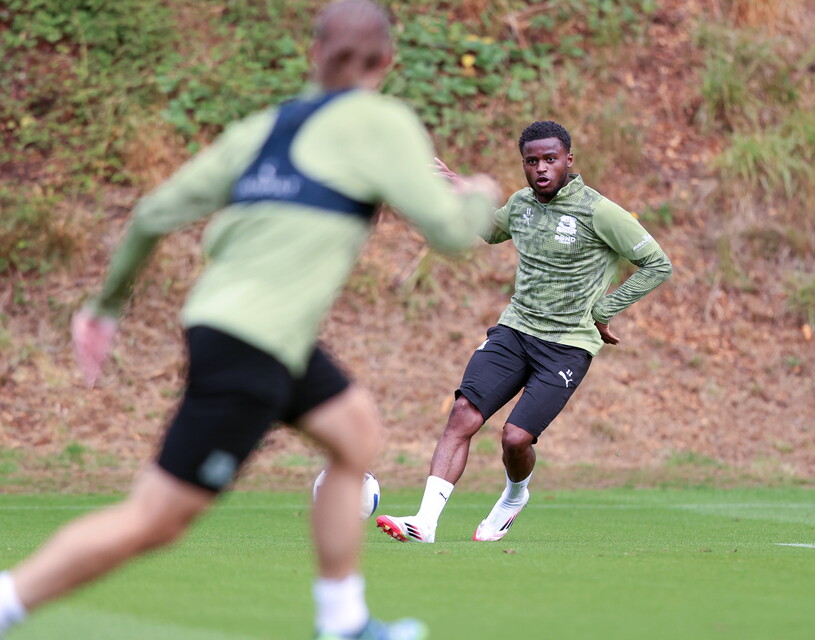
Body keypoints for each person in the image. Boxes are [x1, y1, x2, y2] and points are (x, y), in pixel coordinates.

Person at [0, 2, 501, 639]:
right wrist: (478, 189)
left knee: (353, 433)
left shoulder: (265, 127)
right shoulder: (382, 121)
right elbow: (455, 234)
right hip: (253, 344)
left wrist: (103, 307)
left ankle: (343, 620)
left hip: (243, 329)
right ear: (387, 61)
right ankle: (9, 598)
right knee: (154, 519)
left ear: (313, 54)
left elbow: (153, 213)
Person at [376, 120, 672, 544]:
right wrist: (460, 189)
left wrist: (606, 309)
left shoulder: (598, 211)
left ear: (569, 160)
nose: (541, 168)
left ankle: (515, 496)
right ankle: (424, 522)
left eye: (550, 159)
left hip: (567, 345)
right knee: (462, 415)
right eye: (531, 161)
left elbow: (658, 264)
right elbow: (492, 231)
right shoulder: (521, 204)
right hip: (515, 330)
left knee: (515, 438)